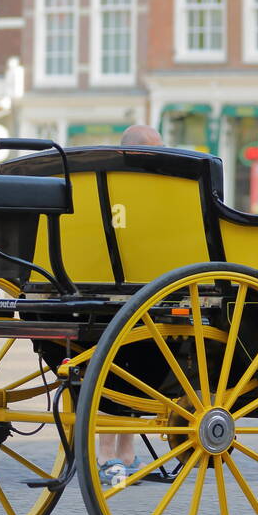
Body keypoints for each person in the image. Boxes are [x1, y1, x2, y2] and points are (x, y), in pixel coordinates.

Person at [97, 122, 165, 489]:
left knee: (140, 366)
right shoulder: (135, 190)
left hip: (121, 285)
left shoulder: (107, 187)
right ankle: (107, 454)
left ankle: (124, 455)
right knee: (130, 364)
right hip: (128, 289)